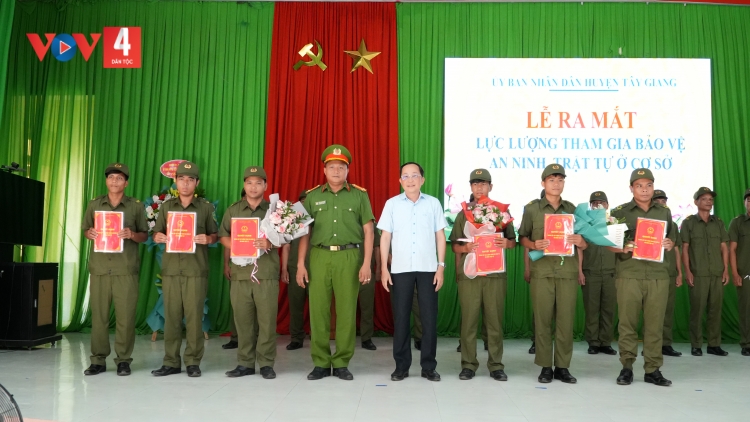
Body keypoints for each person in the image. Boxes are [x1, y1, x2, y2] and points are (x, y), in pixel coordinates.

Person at [296, 145, 375, 381]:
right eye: (332, 167)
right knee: (318, 311)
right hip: (319, 256)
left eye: (341, 167)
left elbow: (368, 231)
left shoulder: (360, 195)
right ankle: (320, 363)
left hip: (349, 256)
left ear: (347, 170)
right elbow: (303, 233)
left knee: (346, 311)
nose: (336, 170)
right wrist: (301, 264)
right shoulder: (312, 196)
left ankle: (341, 362)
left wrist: (367, 263)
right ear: (324, 169)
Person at [518, 164, 587, 384]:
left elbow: (584, 243)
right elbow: (523, 239)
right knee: (543, 320)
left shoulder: (574, 209)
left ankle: (563, 367)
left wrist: (580, 241)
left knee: (566, 321)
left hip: (567, 271)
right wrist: (534, 243)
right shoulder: (532, 209)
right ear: (543, 183)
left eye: (560, 180)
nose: (556, 184)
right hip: (542, 272)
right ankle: (546, 366)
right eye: (551, 180)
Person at [379, 162, 446, 382]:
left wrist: (441, 267)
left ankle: (429, 366)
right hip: (400, 269)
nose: (410, 180)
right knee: (401, 319)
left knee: (428, 319)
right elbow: (385, 237)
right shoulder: (392, 204)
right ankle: (401, 366)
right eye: (405, 176)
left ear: (422, 180)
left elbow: (439, 236)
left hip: (428, 269)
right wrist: (384, 269)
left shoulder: (433, 203)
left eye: (414, 175)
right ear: (400, 181)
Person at [151, 161, 218, 377]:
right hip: (171, 270)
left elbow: (215, 235)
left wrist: (208, 238)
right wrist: (158, 236)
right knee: (171, 318)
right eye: (181, 179)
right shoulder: (166, 207)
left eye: (190, 180)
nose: (186, 183)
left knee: (193, 317)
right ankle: (170, 362)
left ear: (197, 183)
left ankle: (192, 361)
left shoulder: (206, 208)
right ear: (175, 181)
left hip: (195, 271)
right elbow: (157, 233)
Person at [609, 168, 675, 387]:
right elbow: (610, 245)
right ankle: (626, 367)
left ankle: (653, 369)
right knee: (627, 323)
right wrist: (624, 248)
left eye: (648, 185)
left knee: (655, 324)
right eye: (639, 186)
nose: (644, 190)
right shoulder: (620, 212)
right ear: (631, 188)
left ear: (653, 187)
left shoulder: (664, 211)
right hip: (630, 274)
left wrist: (669, 243)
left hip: (658, 275)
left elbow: (672, 239)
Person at [82, 163, 148, 376]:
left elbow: (144, 236)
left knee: (126, 317)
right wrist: (89, 233)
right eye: (111, 177)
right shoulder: (94, 205)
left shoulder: (136, 206)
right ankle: (98, 360)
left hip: (125, 269)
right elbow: (85, 229)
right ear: (106, 180)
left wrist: (131, 235)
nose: (114, 181)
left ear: (126, 183)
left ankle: (123, 360)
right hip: (100, 267)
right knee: (99, 317)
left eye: (119, 178)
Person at [450, 168, 515, 381]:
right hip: (470, 275)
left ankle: (496, 365)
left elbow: (512, 242)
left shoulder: (501, 213)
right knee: (468, 322)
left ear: (491, 187)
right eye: (475, 184)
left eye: (483, 184)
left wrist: (506, 243)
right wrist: (466, 249)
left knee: (494, 322)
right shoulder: (463, 214)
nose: (479, 188)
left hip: (494, 275)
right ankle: (468, 365)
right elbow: (455, 246)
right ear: (470, 187)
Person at [220, 166, 280, 379]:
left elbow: (286, 238)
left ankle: (266, 363)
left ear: (265, 186)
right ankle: (245, 363)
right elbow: (223, 236)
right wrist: (239, 243)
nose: (253, 187)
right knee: (243, 321)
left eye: (258, 183)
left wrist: (270, 242)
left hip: (266, 273)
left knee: (266, 321)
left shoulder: (275, 210)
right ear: (244, 185)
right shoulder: (233, 210)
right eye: (249, 183)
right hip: (241, 273)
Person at [681, 187, 730, 357]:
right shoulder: (688, 223)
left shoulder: (718, 222)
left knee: (715, 310)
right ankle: (696, 344)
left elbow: (724, 247)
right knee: (697, 310)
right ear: (696, 202)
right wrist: (687, 271)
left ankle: (714, 344)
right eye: (704, 199)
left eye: (710, 199)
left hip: (716, 272)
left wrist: (726, 269)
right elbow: (685, 249)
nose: (709, 202)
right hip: (698, 273)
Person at [580, 191, 617, 355]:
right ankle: (593, 342)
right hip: (591, 272)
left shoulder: (615, 224)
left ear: (607, 205)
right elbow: (580, 249)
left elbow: (620, 249)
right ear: (590, 206)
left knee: (609, 309)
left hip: (611, 273)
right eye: (594, 203)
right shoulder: (583, 225)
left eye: (601, 202)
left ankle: (606, 342)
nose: (598, 205)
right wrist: (579, 271)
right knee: (592, 309)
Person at [652, 190, 683, 357]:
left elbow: (676, 249)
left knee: (668, 310)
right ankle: (651, 346)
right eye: (657, 201)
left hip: (669, 272)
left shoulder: (671, 224)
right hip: (651, 272)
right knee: (650, 312)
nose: (661, 203)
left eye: (663, 200)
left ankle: (666, 344)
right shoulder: (646, 224)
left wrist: (679, 272)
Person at [281, 191, 311, 350]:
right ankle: (296, 338)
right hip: (294, 268)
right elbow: (286, 246)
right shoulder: (291, 221)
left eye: (307, 201)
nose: (304, 205)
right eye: (302, 202)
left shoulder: (318, 219)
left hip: (315, 268)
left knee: (318, 306)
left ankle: (318, 336)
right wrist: (284, 268)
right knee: (296, 305)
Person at [729, 188, 750, 357]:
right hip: (746, 273)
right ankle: (747, 343)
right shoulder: (738, 222)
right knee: (746, 309)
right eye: (748, 199)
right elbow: (732, 250)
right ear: (744, 203)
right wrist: (735, 273)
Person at [358, 228, 379, 351]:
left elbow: (376, 247)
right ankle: (346, 339)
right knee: (345, 308)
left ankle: (366, 338)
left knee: (367, 306)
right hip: (347, 270)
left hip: (367, 270)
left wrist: (378, 269)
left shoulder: (371, 224)